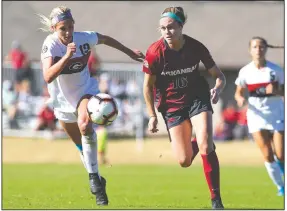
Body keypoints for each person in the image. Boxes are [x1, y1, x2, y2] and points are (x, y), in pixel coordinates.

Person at [38, 6, 144, 206]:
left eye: (71, 26)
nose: (68, 32)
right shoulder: (50, 45)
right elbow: (47, 76)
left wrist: (129, 52)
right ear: (54, 28)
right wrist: (67, 57)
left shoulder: (83, 38)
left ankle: (94, 180)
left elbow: (105, 39)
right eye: (63, 28)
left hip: (85, 91)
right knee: (80, 145)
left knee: (85, 125)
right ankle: (97, 177)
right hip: (61, 100)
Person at [142, 7, 226, 209]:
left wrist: (217, 88)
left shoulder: (196, 47)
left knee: (206, 144)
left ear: (181, 26)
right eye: (163, 28)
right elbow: (147, 86)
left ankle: (216, 199)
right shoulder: (154, 52)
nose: (167, 32)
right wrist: (152, 115)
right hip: (171, 106)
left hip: (197, 97)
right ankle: (200, 139)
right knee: (184, 160)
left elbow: (219, 76)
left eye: (171, 27)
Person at [234, 36, 284, 196]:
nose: (258, 50)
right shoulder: (245, 71)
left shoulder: (276, 70)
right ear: (250, 50)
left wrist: (276, 91)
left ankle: (282, 169)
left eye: (261, 47)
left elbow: (284, 90)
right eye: (255, 47)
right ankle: (281, 187)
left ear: (266, 49)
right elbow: (238, 93)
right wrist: (240, 99)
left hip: (277, 114)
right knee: (268, 155)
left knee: (281, 154)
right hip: (256, 116)